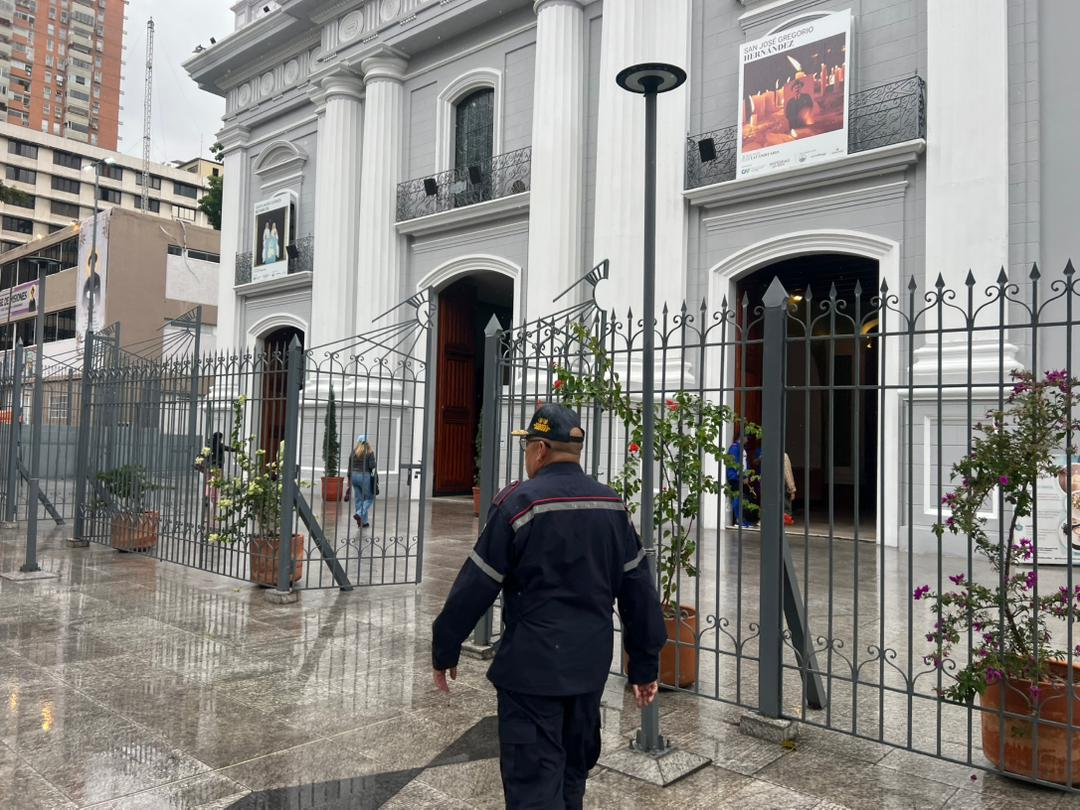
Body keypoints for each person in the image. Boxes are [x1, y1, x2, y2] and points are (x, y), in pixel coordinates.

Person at [431, 404, 667, 810]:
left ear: (540, 449)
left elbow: (477, 582)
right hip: (588, 669)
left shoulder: (519, 504)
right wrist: (645, 666)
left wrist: (445, 646)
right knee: (573, 776)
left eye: (527, 446)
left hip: (532, 674)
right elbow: (638, 589)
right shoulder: (611, 505)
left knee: (534, 787)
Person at [349, 435, 376, 528]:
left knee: (359, 499)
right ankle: (359, 514)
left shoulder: (353, 452)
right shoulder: (369, 452)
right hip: (364, 476)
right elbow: (372, 466)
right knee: (369, 498)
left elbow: (349, 465)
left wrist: (349, 478)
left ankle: (363, 522)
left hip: (354, 476)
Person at [783, 452, 796, 526]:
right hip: (783, 486)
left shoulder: (767, 454)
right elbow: (787, 473)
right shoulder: (783, 456)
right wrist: (792, 489)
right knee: (786, 509)